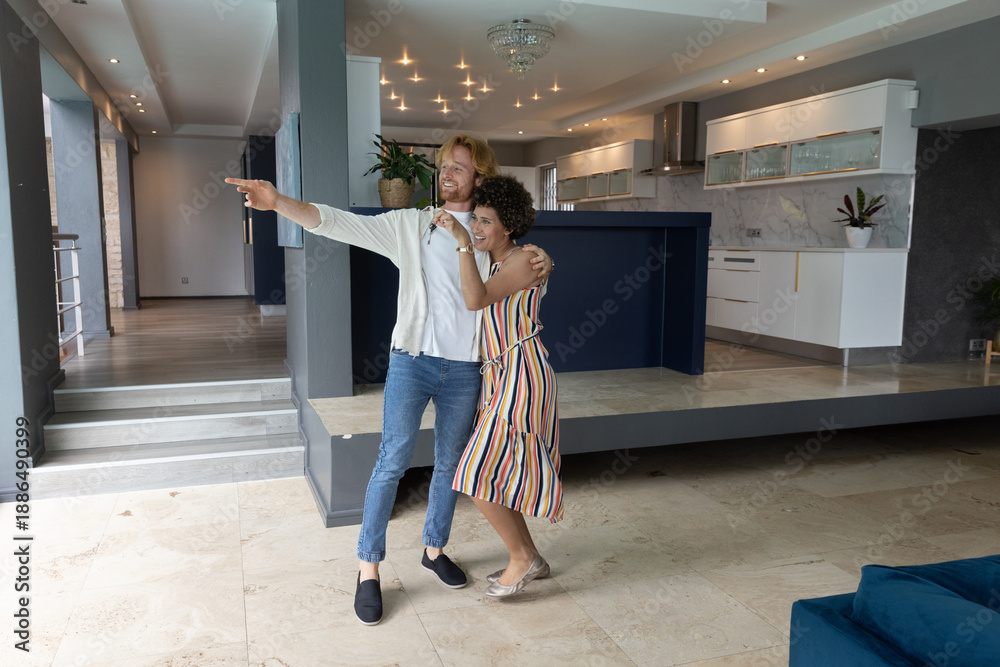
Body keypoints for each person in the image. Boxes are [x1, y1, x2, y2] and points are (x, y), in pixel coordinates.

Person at [225, 135, 552, 625]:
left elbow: (520, 270)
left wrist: (545, 258)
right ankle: (368, 569)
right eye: (443, 166)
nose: (446, 174)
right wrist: (278, 203)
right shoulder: (413, 224)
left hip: (467, 369)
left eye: (458, 167)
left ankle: (434, 550)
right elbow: (337, 221)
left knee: (450, 466)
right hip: (412, 361)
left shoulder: (490, 233)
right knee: (391, 460)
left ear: (480, 176)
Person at [432, 175, 562, 598]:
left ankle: (521, 558)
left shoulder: (524, 260)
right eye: (475, 219)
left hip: (523, 374)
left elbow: (476, 300)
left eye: (486, 221)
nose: (476, 227)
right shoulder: (499, 262)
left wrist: (462, 243)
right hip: (501, 376)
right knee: (493, 475)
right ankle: (531, 556)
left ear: (509, 227)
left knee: (474, 474)